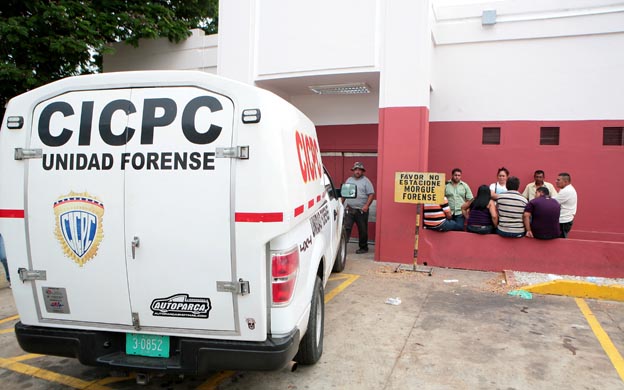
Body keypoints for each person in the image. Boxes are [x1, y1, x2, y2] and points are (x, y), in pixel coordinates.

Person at [343, 162, 375, 254]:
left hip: (361, 210)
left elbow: (371, 194)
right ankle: (343, 246)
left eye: (359, 170)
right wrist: (341, 203)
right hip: (350, 209)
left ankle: (364, 248)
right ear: (353, 170)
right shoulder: (349, 180)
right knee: (346, 228)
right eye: (356, 169)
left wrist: (366, 206)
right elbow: (345, 193)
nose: (357, 171)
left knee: (363, 229)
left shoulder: (366, 181)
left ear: (362, 171)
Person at [553, 172, 577, 238]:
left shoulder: (567, 191)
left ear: (566, 182)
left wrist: (543, 198)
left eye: (558, 180)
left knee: (561, 241)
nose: (556, 181)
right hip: (563, 219)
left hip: (564, 221)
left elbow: (553, 202)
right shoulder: (564, 189)